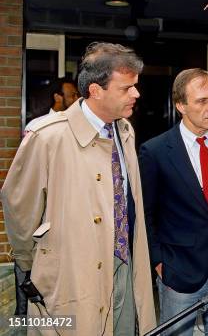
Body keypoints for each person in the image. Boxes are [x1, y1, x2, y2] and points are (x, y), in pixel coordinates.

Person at [1, 42, 156, 334]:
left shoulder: (125, 130)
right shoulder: (48, 137)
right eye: (126, 88)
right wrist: (39, 268)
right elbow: (18, 209)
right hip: (71, 276)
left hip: (124, 266)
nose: (136, 94)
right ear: (96, 90)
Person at [139, 68, 208, 335]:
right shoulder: (155, 151)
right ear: (180, 106)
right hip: (178, 269)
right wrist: (159, 262)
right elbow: (144, 213)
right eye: (201, 101)